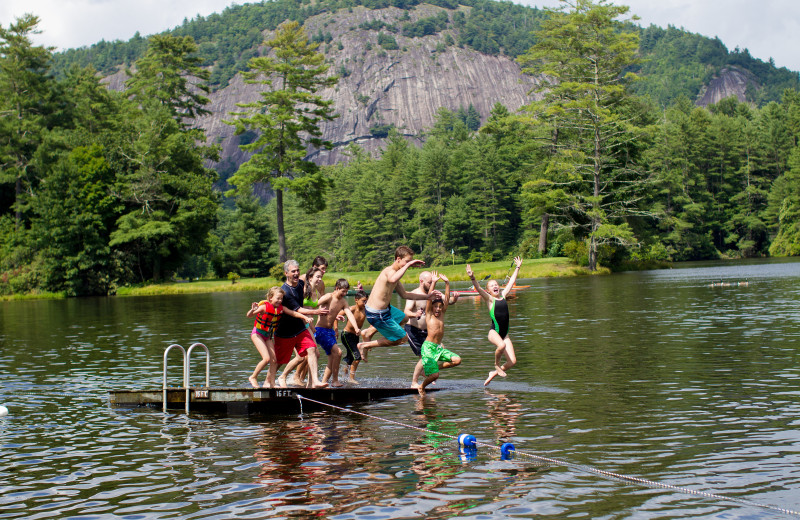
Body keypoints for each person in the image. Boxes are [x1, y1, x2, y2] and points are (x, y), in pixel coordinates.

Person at [357, 245, 434, 358]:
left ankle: (369, 332)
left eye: (410, 261)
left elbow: (404, 295)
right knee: (402, 338)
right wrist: (408, 265)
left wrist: (427, 297)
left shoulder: (396, 275)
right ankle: (364, 345)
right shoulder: (389, 271)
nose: (409, 264)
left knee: (404, 318)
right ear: (398, 259)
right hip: (376, 313)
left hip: (386, 309)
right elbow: (392, 279)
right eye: (407, 261)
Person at [466, 256, 523, 386]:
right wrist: (472, 277)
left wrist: (518, 267)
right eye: (492, 286)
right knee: (501, 346)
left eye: (496, 284)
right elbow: (479, 289)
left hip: (505, 335)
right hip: (493, 333)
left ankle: (493, 373)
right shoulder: (490, 299)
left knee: (512, 362)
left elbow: (512, 281)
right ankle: (496, 365)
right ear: (489, 291)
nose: (495, 286)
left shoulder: (503, 295)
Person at [274, 260, 329, 389]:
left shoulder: (300, 284)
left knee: (312, 350)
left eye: (298, 270)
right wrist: (316, 312)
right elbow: (298, 309)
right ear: (286, 273)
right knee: (281, 360)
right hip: (286, 330)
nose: (296, 273)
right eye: (293, 271)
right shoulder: (285, 291)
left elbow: (305, 304)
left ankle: (314, 381)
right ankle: (271, 380)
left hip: (300, 327)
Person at [245, 286, 312, 388]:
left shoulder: (281, 308)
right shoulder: (264, 307)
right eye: (278, 298)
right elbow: (249, 315)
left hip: (268, 336)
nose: (280, 300)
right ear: (270, 297)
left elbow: (293, 313)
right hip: (257, 334)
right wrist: (252, 310)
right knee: (267, 358)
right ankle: (253, 377)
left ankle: (271, 383)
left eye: (281, 299)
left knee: (274, 360)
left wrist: (305, 317)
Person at [405, 271, 460, 388]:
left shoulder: (436, 296)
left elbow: (446, 301)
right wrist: (415, 314)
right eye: (429, 282)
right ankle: (414, 382)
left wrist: (452, 296)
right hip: (414, 330)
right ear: (422, 281)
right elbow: (406, 311)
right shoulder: (414, 294)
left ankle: (429, 371)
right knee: (422, 355)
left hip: (427, 332)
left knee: (441, 349)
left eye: (432, 282)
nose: (431, 284)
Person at [313, 279, 362, 387]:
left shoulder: (343, 301)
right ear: (337, 288)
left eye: (346, 292)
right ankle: (335, 380)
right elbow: (313, 306)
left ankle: (323, 382)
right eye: (343, 291)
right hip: (320, 330)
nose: (344, 294)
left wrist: (356, 327)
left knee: (332, 357)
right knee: (338, 353)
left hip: (330, 332)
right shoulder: (328, 297)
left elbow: (349, 314)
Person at [283, 266, 325, 386]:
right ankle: (286, 376)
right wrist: (311, 317)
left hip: (307, 323)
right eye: (318, 277)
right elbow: (297, 307)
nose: (320, 279)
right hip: (299, 323)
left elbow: (312, 307)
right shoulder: (302, 286)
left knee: (312, 354)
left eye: (321, 277)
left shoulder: (314, 288)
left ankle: (311, 383)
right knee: (305, 356)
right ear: (310, 277)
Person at [340, 289, 368, 384]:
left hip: (355, 336)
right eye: (363, 301)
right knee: (357, 357)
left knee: (350, 358)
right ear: (356, 300)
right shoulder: (351, 309)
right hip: (346, 335)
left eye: (366, 301)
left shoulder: (365, 310)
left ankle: (344, 377)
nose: (365, 303)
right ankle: (351, 378)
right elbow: (337, 316)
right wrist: (335, 329)